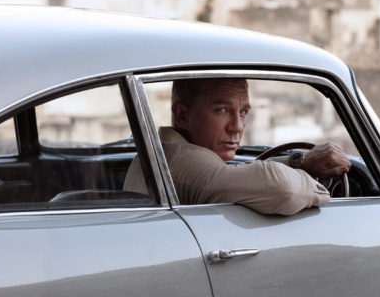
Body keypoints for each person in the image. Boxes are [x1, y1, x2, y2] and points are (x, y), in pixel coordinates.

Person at [124, 78, 351, 215]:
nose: (238, 127)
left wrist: (301, 162)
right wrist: (319, 189)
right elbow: (282, 187)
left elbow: (234, 175)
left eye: (243, 112)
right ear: (182, 115)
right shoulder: (183, 162)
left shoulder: (165, 153)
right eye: (222, 110)